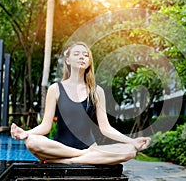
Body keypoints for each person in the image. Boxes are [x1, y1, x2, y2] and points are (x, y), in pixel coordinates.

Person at [10, 41, 151, 165]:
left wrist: (131, 141)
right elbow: (46, 126)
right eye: (76, 54)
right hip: (61, 149)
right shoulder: (55, 89)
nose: (82, 57)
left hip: (89, 147)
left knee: (129, 151)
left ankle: (68, 161)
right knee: (32, 141)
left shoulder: (96, 91)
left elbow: (105, 128)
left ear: (89, 62)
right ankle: (81, 157)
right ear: (68, 60)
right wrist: (26, 133)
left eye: (86, 55)